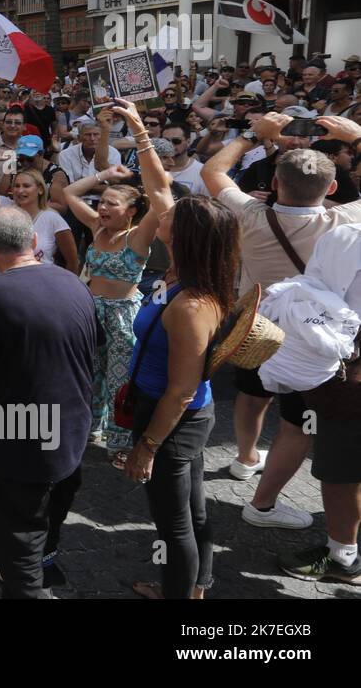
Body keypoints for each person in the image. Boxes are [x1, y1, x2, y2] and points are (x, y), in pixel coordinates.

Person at [201, 113, 361, 527]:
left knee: (251, 397)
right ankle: (263, 506)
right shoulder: (341, 221)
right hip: (309, 339)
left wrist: (257, 134)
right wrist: (357, 137)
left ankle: (244, 458)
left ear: (274, 183)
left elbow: (213, 170)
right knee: (296, 425)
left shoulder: (250, 214)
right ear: (331, 189)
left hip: (255, 327)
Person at [119, 100, 241, 599]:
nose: (162, 212)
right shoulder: (190, 274)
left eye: (173, 216)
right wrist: (140, 132)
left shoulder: (192, 304)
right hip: (185, 417)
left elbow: (182, 389)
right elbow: (159, 188)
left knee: (174, 525)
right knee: (192, 511)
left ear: (184, 237)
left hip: (174, 419)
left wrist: (146, 447)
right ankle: (196, 586)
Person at [0, 207, 99, 598]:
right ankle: (39, 566)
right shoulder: (75, 284)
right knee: (46, 522)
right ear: (35, 242)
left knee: (18, 538)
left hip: (20, 437)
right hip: (72, 430)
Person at [268, 224, 361, 584]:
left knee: (341, 472)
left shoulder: (348, 237)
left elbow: (323, 296)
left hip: (349, 383)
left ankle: (343, 558)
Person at [63, 134, 159, 467]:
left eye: (111, 204)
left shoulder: (138, 236)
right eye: (101, 201)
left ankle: (120, 443)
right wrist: (105, 176)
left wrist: (145, 171)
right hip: (91, 312)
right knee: (88, 373)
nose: (102, 208)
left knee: (120, 379)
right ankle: (90, 426)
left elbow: (161, 204)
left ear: (131, 211)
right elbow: (68, 193)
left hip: (123, 316)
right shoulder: (96, 228)